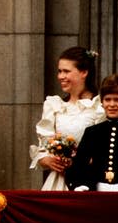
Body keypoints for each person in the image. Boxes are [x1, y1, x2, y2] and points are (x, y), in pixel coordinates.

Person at [29, 46, 106, 190]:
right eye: (59, 71)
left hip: (88, 181)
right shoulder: (54, 105)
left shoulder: (98, 107)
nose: (60, 76)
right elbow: (44, 146)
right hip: (59, 182)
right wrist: (47, 160)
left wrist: (78, 162)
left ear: (84, 72)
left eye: (66, 71)